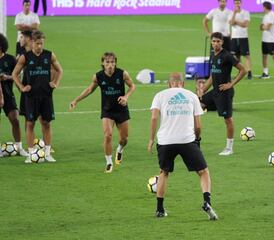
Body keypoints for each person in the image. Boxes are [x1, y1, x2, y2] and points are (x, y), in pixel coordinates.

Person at [148, 72, 218, 220]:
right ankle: (207, 202)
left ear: (169, 84)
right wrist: (197, 139)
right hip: (187, 140)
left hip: (165, 141)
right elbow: (198, 125)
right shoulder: (191, 96)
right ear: (183, 84)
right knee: (203, 171)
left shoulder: (159, 95)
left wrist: (151, 140)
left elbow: (154, 117)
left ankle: (160, 210)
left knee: (164, 173)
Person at [69, 52, 136, 173]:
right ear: (103, 63)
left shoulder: (122, 74)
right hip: (107, 111)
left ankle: (120, 149)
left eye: (112, 62)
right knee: (108, 135)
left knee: (124, 139)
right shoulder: (98, 76)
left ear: (115, 63)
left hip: (121, 110)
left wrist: (126, 97)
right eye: (107, 62)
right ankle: (109, 162)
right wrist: (76, 100)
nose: (110, 65)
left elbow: (132, 86)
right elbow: (90, 89)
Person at [12, 30, 63, 163]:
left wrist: (55, 83)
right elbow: (14, 74)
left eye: (41, 43)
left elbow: (59, 70)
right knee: (30, 123)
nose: (39, 46)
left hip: (46, 95)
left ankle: (47, 153)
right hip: (31, 96)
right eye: (37, 43)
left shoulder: (49, 55)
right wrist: (22, 88)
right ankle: (31, 154)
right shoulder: (25, 57)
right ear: (31, 42)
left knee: (46, 123)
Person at [200, 32, 247, 156]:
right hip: (215, 92)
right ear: (211, 42)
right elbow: (212, 76)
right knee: (198, 103)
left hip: (225, 93)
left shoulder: (227, 56)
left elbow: (243, 70)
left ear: (222, 42)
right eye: (214, 41)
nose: (216, 43)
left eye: (218, 41)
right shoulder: (212, 55)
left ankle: (229, 148)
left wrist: (231, 84)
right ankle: (195, 142)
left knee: (228, 120)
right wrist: (203, 90)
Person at [0, 33, 28, 157]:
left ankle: (19, 147)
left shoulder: (10, 60)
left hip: (7, 95)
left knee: (15, 119)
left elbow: (16, 76)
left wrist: (7, 77)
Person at [229, 0, 253, 80]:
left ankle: (249, 72)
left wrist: (236, 22)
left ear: (241, 3)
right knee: (236, 56)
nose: (237, 4)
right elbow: (231, 23)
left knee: (246, 56)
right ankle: (240, 71)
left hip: (243, 37)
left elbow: (245, 24)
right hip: (234, 37)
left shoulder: (245, 13)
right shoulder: (231, 13)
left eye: (238, 3)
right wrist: (234, 14)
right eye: (235, 3)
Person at [259, 1, 274, 79]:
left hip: (272, 39)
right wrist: (263, 27)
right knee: (264, 56)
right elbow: (261, 27)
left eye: (263, 7)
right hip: (264, 39)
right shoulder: (265, 16)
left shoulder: (273, 15)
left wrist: (263, 26)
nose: (262, 8)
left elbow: (267, 27)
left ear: (265, 7)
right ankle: (265, 72)